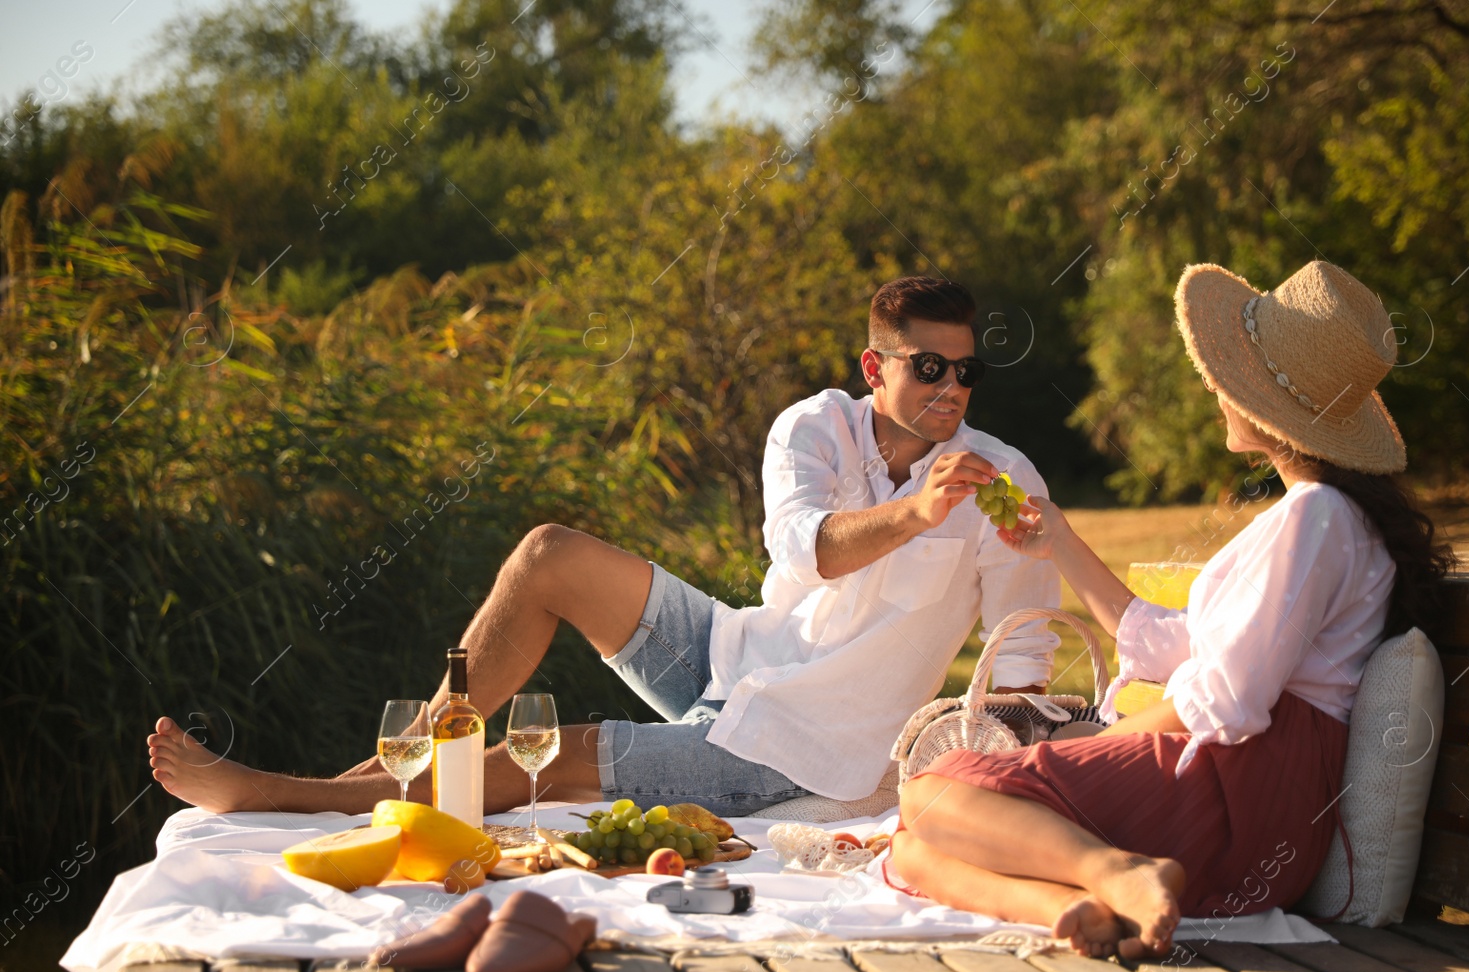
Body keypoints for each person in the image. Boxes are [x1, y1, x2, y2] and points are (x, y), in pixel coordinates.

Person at [147, 277, 1062, 817]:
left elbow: (1021, 654)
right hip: (739, 652)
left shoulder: (1001, 478)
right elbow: (801, 552)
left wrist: (1000, 778)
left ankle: (286, 797)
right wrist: (911, 515)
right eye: (929, 367)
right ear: (876, 368)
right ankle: (401, 756)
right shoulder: (814, 427)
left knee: (554, 750)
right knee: (548, 553)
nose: (951, 388)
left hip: (805, 742)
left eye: (966, 371)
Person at [890, 260, 1453, 959]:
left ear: (1269, 405)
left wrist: (1092, 745)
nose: (1215, 388)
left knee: (931, 796)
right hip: (1246, 786)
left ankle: (1115, 871)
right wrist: (1058, 540)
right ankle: (1082, 904)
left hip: (1241, 790)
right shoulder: (1325, 516)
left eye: (1228, 375)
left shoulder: (1317, 518)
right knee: (912, 844)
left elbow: (1227, 700)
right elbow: (1180, 643)